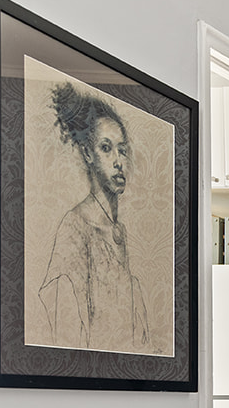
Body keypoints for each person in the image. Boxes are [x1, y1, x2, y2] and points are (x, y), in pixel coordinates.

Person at [36, 82, 151, 353]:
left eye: (122, 150)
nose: (118, 161)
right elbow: (66, 333)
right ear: (88, 154)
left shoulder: (119, 229)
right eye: (106, 148)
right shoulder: (74, 226)